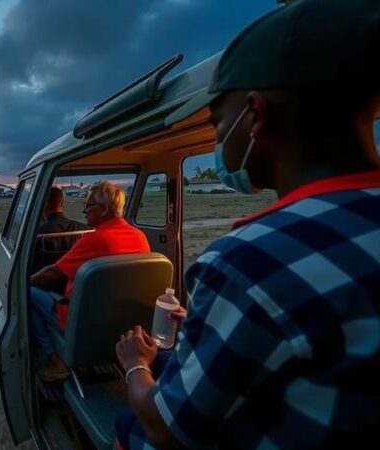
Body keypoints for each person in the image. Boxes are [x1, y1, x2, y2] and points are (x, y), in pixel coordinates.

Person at [115, 1, 380, 448]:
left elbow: (167, 429)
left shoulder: (247, 259)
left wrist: (135, 365)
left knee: (128, 424)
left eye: (218, 125)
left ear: (255, 115)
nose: (219, 143)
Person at [30, 181, 150, 381]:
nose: (84, 211)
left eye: (89, 205)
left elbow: (52, 273)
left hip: (82, 322)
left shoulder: (95, 240)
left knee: (27, 293)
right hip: (123, 321)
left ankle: (55, 360)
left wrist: (27, 280)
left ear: (103, 209)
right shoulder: (139, 236)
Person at [32, 186, 91, 292]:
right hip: (76, 287)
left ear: (44, 204)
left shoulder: (39, 233)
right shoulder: (83, 229)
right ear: (62, 204)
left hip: (46, 288)